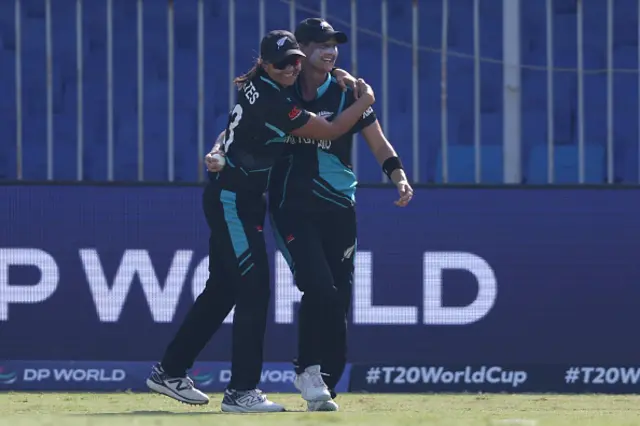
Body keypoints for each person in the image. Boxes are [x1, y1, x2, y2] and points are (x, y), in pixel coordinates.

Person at [146, 29, 376, 413]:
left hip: (243, 199)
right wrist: (366, 99)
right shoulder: (272, 98)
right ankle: (241, 392)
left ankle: (169, 370)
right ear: (266, 64)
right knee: (254, 289)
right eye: (282, 63)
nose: (290, 69)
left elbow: (232, 127)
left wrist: (218, 148)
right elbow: (334, 130)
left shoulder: (264, 85)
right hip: (233, 200)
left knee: (223, 289)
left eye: (294, 61)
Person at [207, 18, 413, 413]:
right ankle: (307, 370)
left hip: (340, 205)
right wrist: (219, 150)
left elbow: (377, 140)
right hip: (291, 207)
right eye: (320, 44)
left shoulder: (344, 90)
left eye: (334, 44)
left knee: (339, 299)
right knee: (320, 290)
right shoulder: (284, 91)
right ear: (301, 51)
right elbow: (245, 123)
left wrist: (398, 176)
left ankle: (323, 380)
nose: (330, 50)